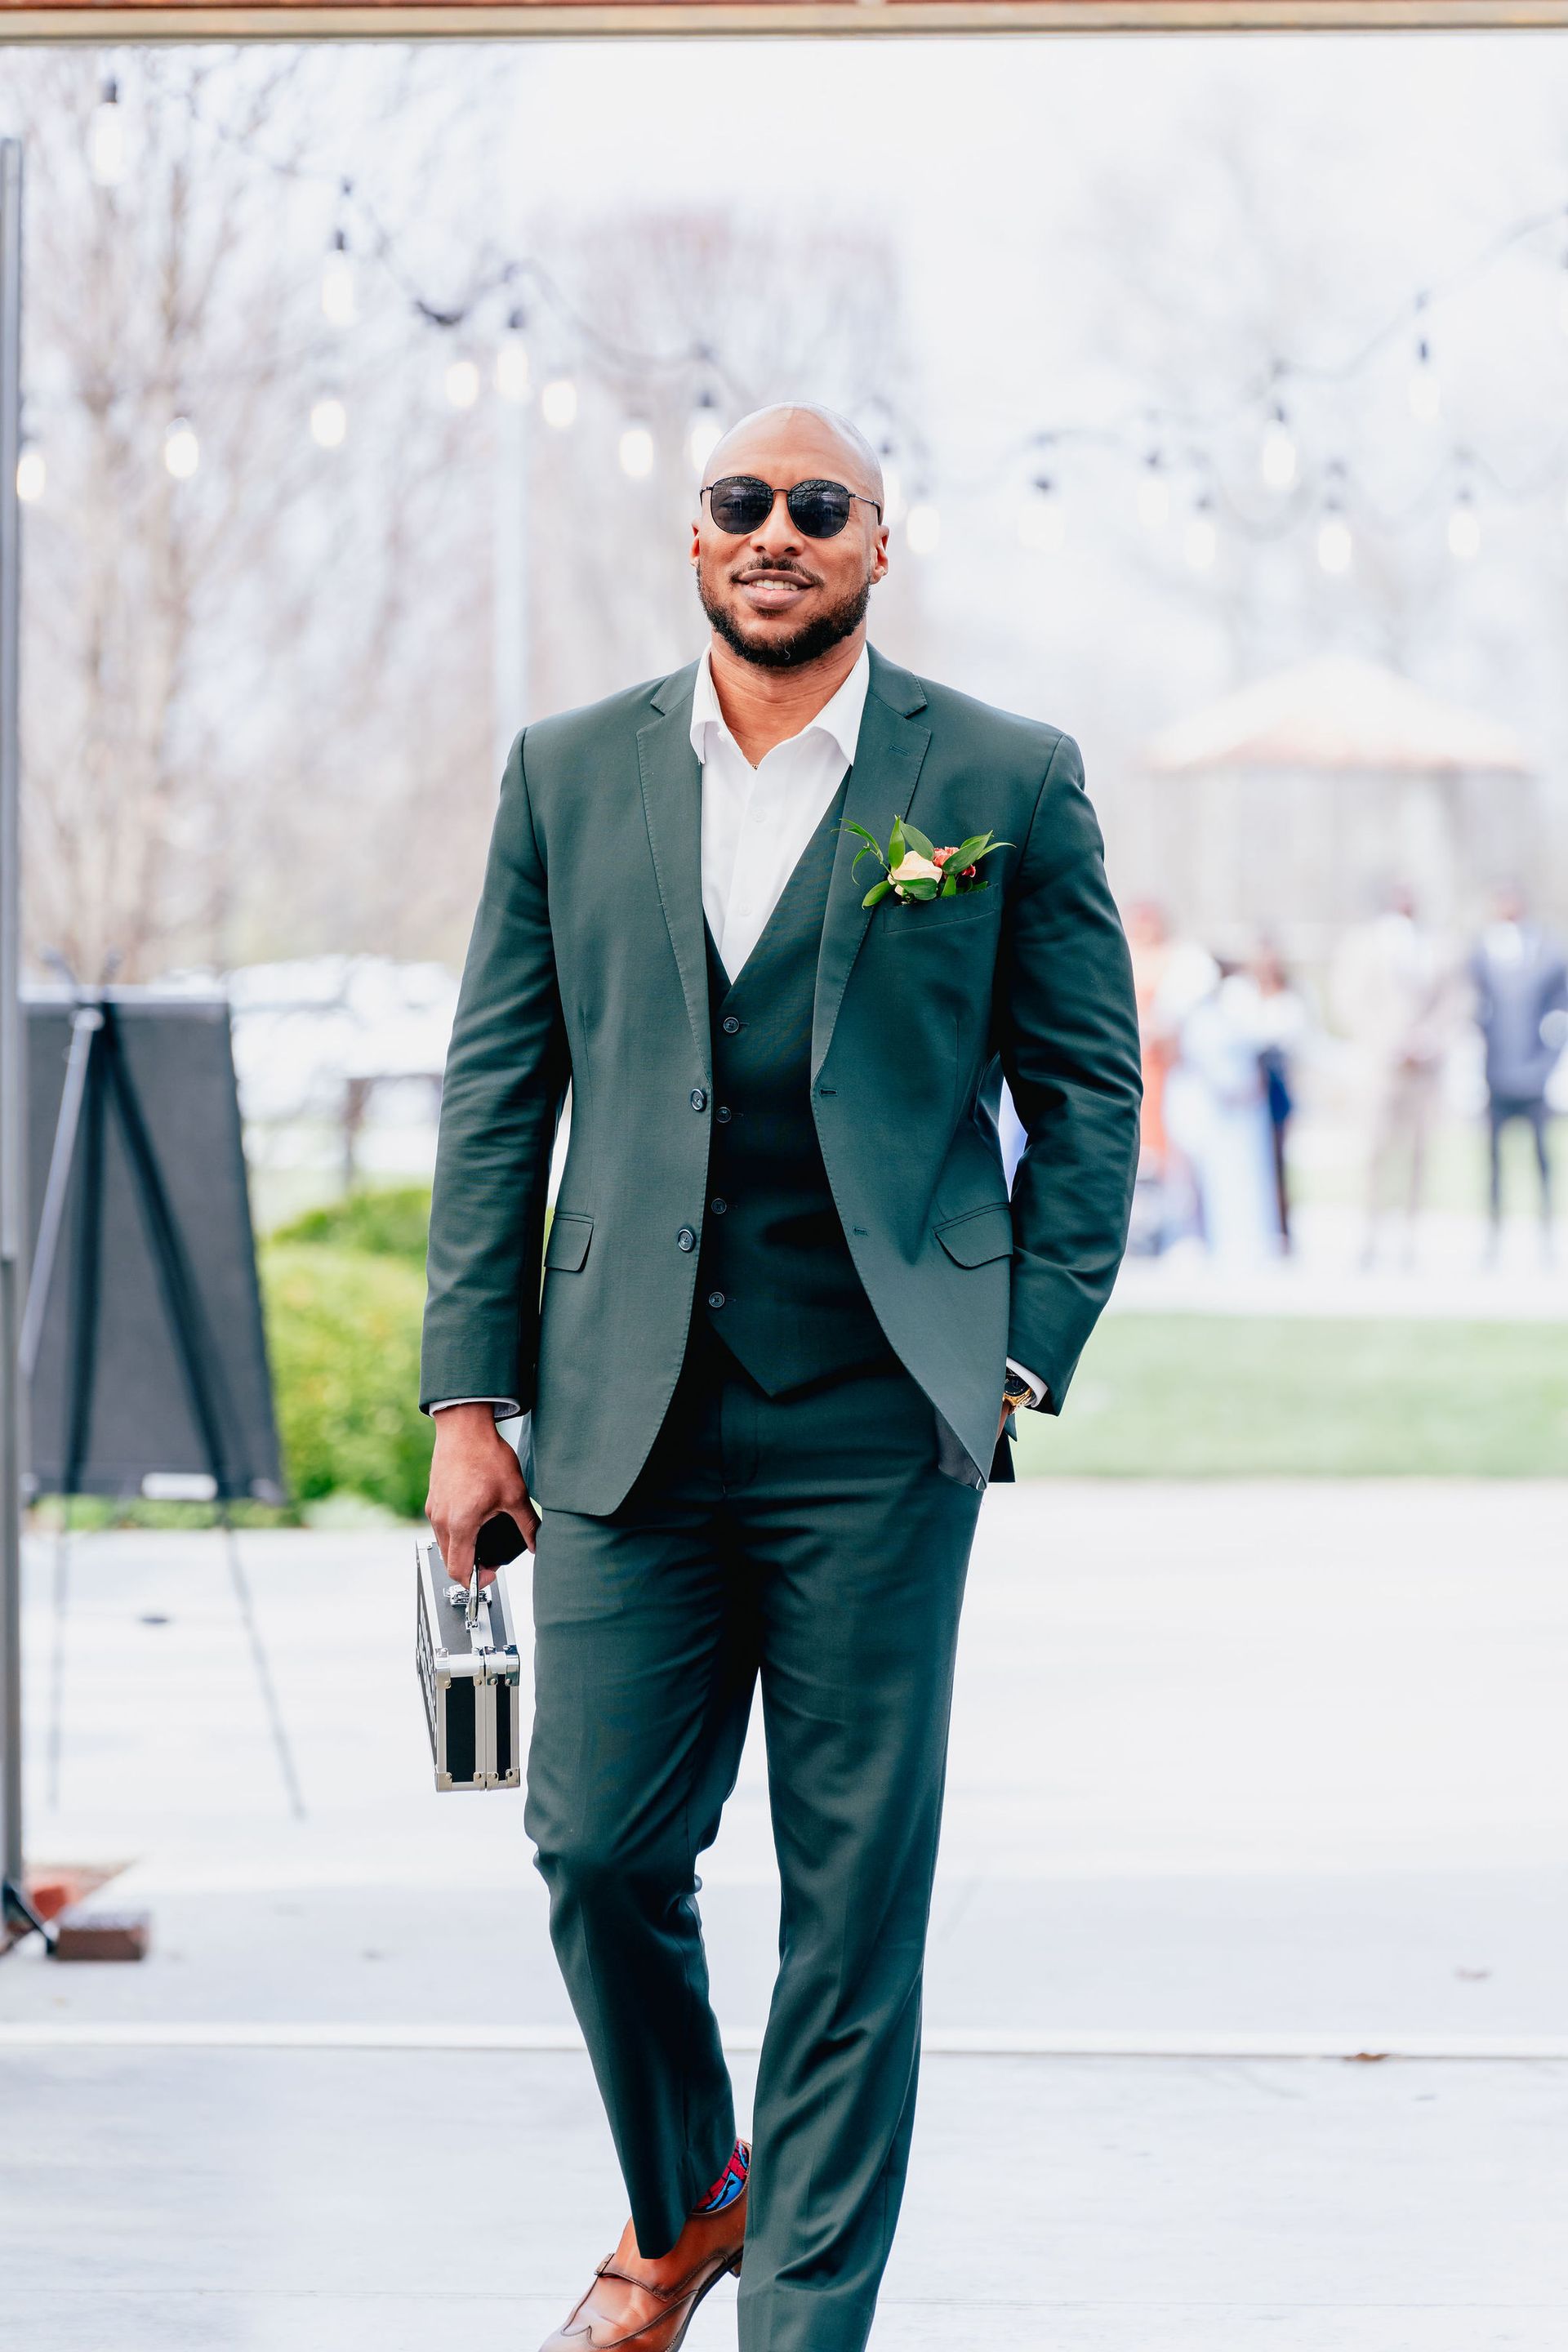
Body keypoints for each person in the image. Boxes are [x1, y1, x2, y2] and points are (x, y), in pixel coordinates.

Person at [421, 403, 1142, 2352]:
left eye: (818, 508)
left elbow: (1089, 1094)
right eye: (741, 503)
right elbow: (500, 1095)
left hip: (881, 1419)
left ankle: (802, 2324)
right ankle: (694, 2190)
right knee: (593, 1842)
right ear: (693, 539)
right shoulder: (568, 774)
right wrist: (465, 1403)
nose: (776, 531)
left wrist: (1019, 1358)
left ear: (877, 548)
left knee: (852, 1900)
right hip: (621, 1413)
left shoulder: (999, 772)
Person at [1330, 883, 1463, 1268]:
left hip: (1425, 1069)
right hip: (1381, 1067)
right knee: (1374, 1152)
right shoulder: (1363, 945)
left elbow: (1455, 1000)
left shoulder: (1438, 946)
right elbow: (1348, 1000)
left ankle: (1410, 1236)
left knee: (1420, 1153)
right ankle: (1369, 1234)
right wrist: (1389, 1041)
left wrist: (1430, 1039)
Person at [1470, 884, 1568, 1256]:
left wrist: (1550, 1060)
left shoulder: (1546, 951)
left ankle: (1546, 1233)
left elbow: (1561, 1008)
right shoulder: (1481, 953)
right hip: (1495, 1076)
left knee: (1542, 1159)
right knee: (1493, 1162)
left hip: (1534, 1077)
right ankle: (1493, 1235)